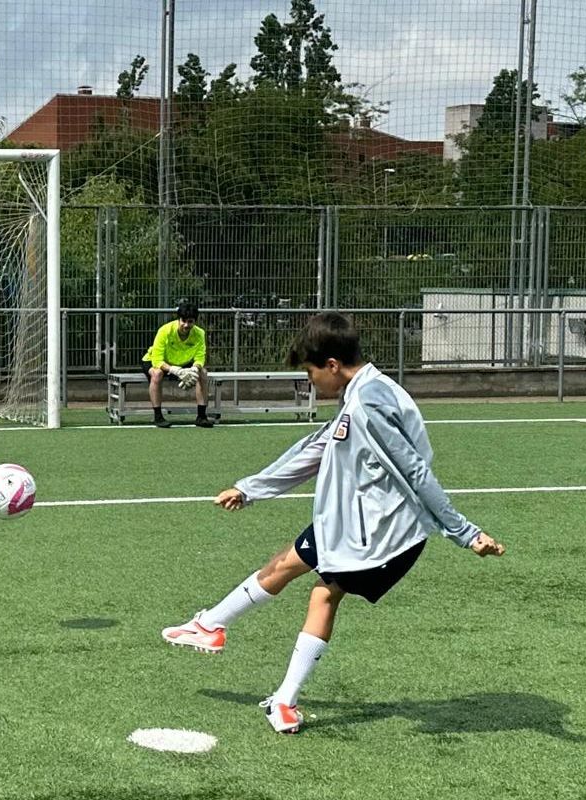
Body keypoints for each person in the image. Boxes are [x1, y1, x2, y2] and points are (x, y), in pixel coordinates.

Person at [159, 311, 505, 734]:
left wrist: (465, 533)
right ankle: (242, 659)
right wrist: (251, 488)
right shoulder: (365, 392)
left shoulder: (368, 403)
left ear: (332, 366)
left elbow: (415, 473)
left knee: (303, 578)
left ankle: (218, 633)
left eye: (310, 372)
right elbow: (316, 448)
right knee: (309, 584)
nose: (310, 382)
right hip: (366, 528)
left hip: (375, 535)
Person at [142, 299, 212, 428]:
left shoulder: (199, 333)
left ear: (195, 321)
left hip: (183, 364)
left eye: (190, 321)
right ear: (178, 319)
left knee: (203, 373)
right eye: (183, 321)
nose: (186, 325)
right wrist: (176, 371)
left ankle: (201, 416)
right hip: (157, 362)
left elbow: (200, 358)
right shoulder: (165, 330)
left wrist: (194, 370)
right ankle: (158, 416)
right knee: (156, 374)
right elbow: (157, 360)